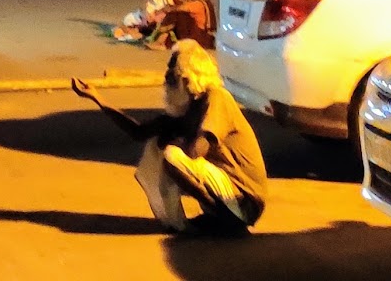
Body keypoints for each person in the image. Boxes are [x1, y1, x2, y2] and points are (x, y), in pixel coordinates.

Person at [71, 40, 267, 236]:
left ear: (187, 79)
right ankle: (186, 222)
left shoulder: (216, 98)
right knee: (156, 147)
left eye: (171, 74)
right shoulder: (185, 108)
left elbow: (198, 149)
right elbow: (138, 132)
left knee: (172, 155)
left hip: (246, 199)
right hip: (227, 192)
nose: (166, 80)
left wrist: (176, 140)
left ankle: (229, 223)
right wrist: (97, 98)